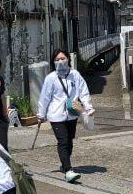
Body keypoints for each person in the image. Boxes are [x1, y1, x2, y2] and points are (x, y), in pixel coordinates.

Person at [36, 49, 95, 183]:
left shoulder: (75, 75)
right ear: (53, 62)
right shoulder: (51, 78)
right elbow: (44, 97)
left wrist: (88, 107)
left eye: (63, 58)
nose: (60, 61)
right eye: (57, 60)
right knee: (63, 141)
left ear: (68, 59)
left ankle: (64, 164)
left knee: (69, 141)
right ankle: (68, 171)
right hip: (56, 115)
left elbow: (83, 91)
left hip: (72, 114)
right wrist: (41, 115)